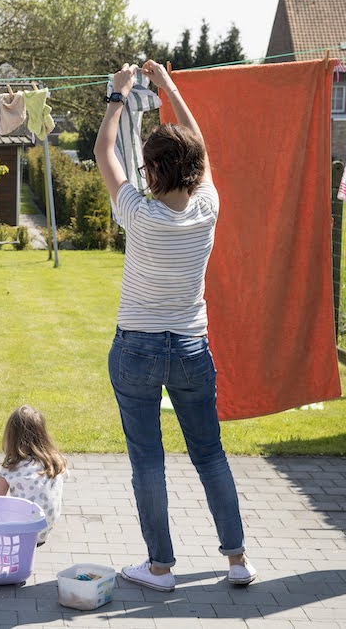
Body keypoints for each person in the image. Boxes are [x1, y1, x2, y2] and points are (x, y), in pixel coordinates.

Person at [93, 61, 257, 591]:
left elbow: (102, 152)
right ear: (190, 166)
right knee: (210, 455)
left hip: (136, 350)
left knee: (148, 462)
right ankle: (237, 561)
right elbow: (202, 146)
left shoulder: (137, 213)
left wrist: (118, 96)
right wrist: (167, 85)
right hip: (190, 349)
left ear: (153, 169)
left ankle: (160, 568)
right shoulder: (207, 208)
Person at [0, 405, 67, 545]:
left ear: (11, 437)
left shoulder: (12, 466)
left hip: (21, 534)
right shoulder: (55, 460)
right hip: (44, 529)